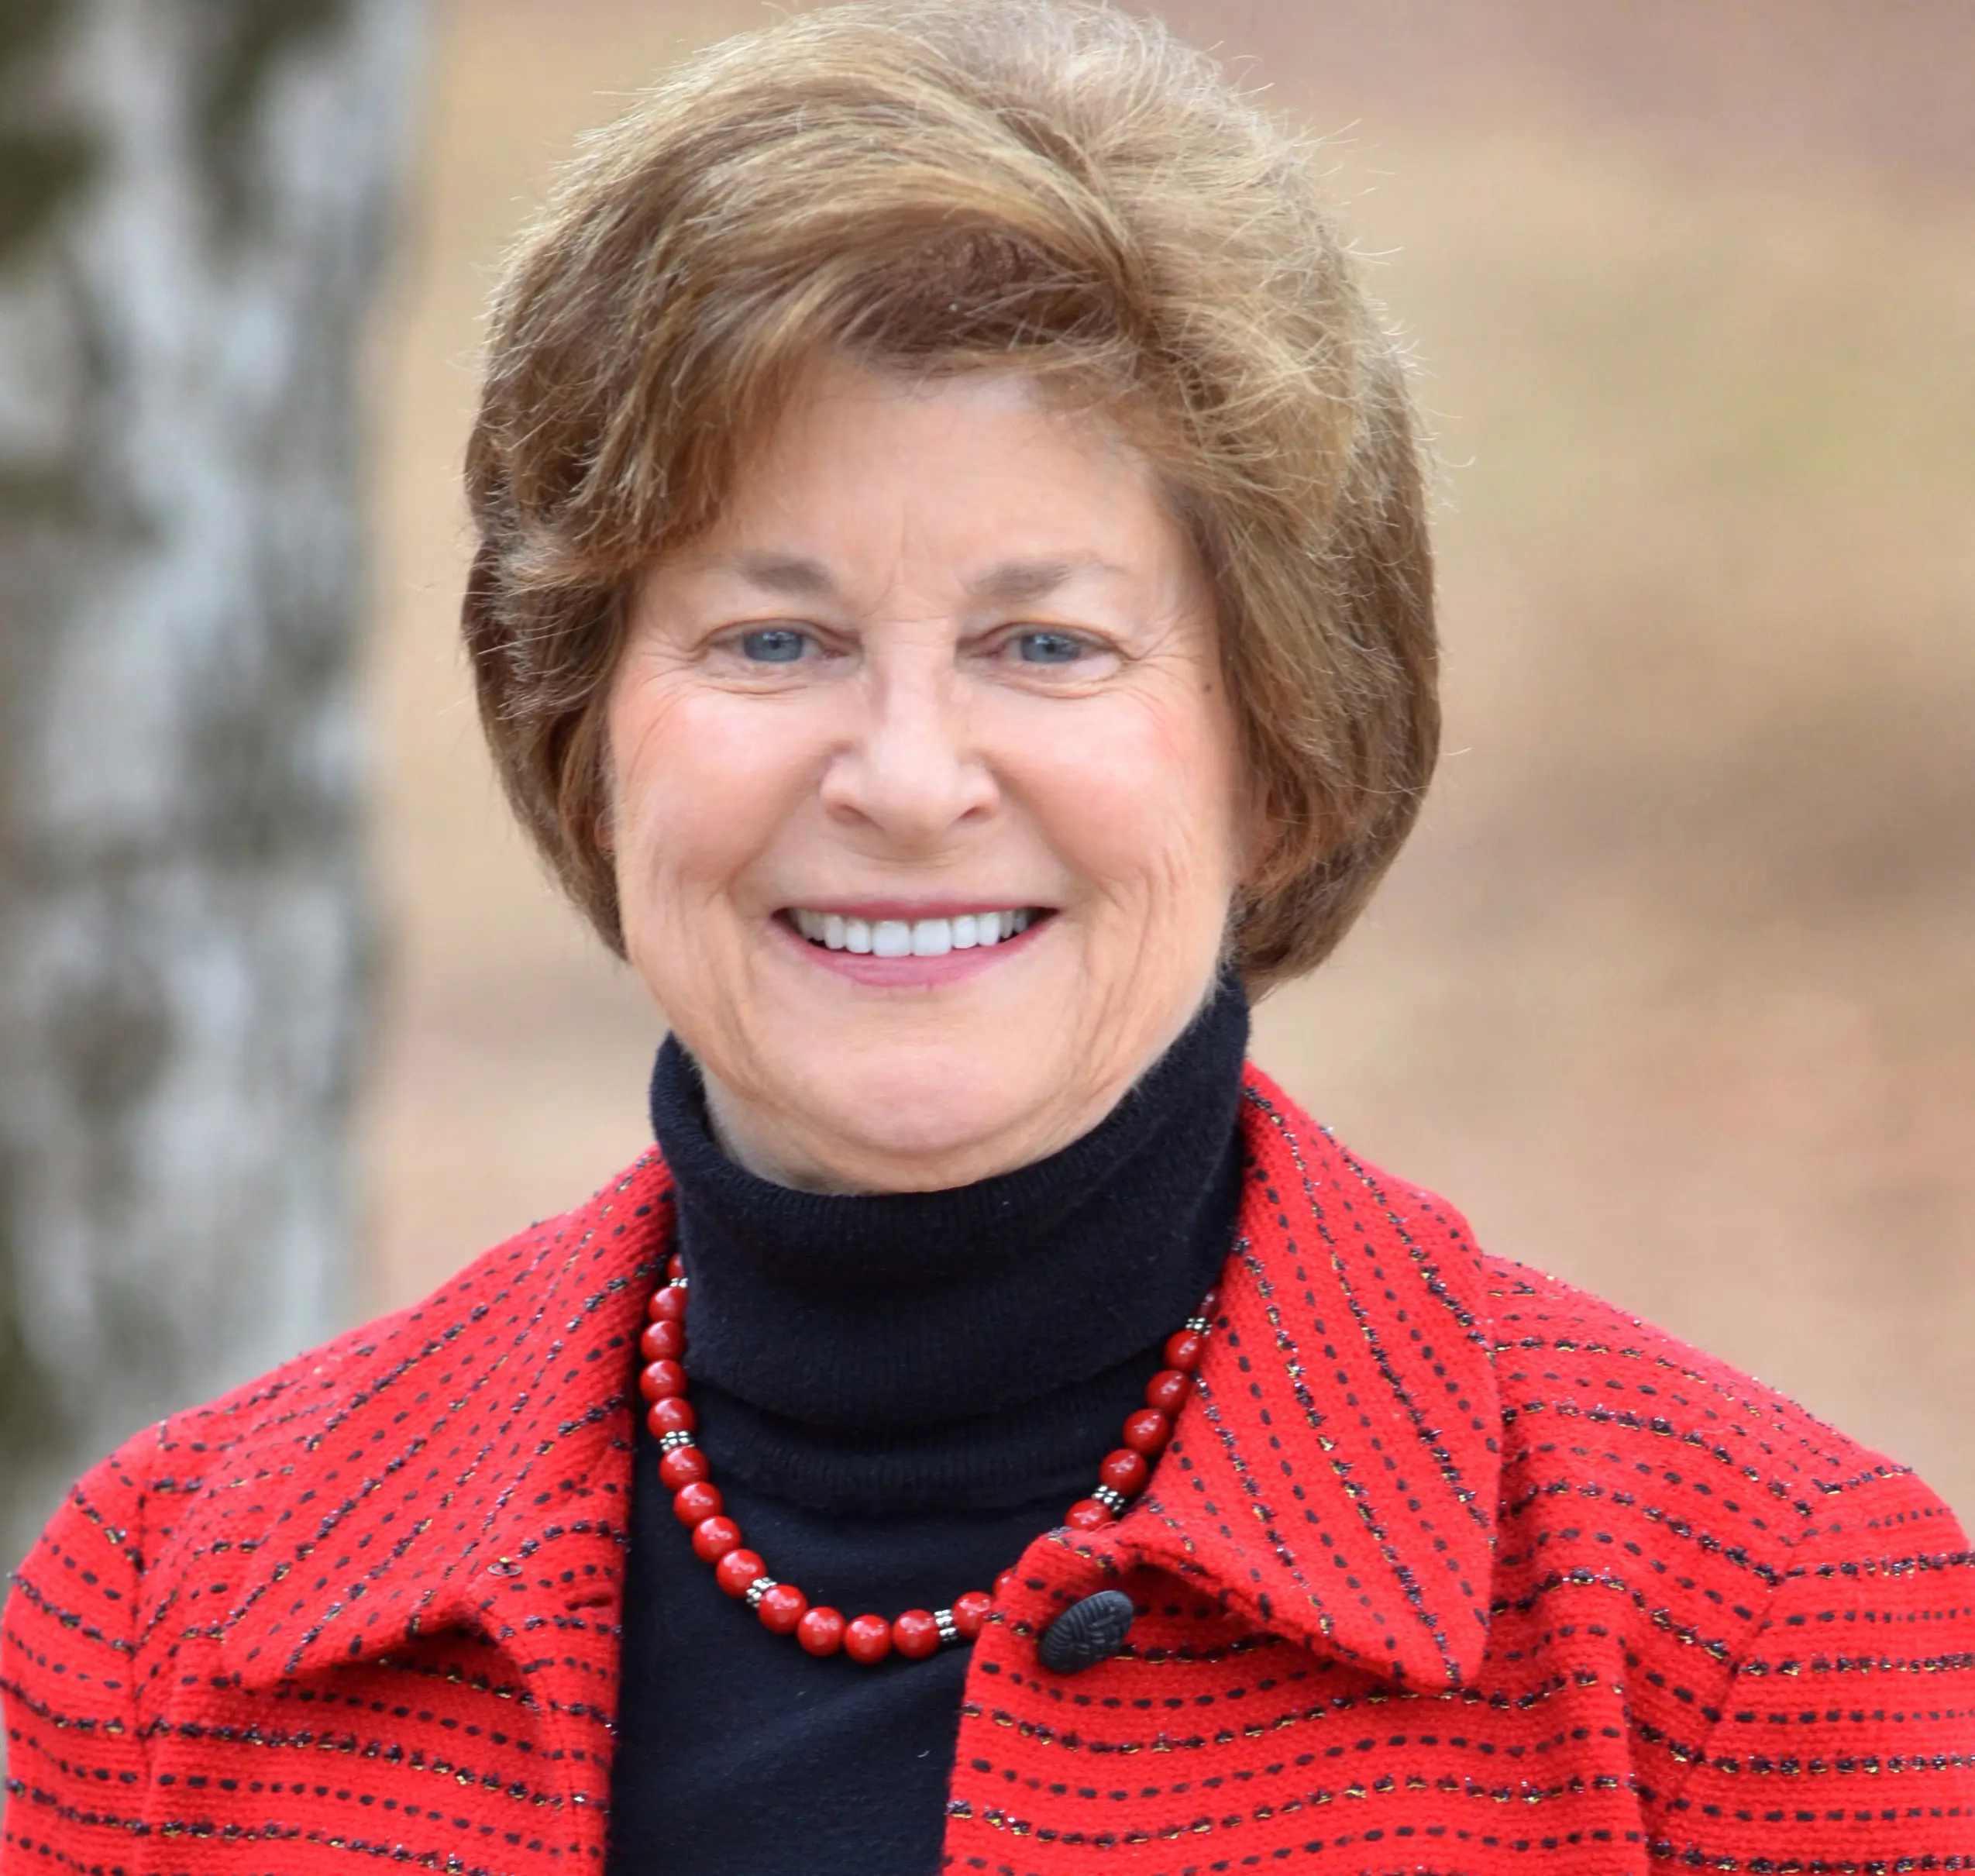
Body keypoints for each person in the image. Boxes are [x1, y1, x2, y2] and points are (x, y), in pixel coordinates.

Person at [4, 3, 1970, 1872]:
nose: (908, 773)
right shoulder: (167, 1618)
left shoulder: (1761, 1642)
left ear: (1273, 752)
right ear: (583, 734)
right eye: (773, 637)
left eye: (1046, 642)